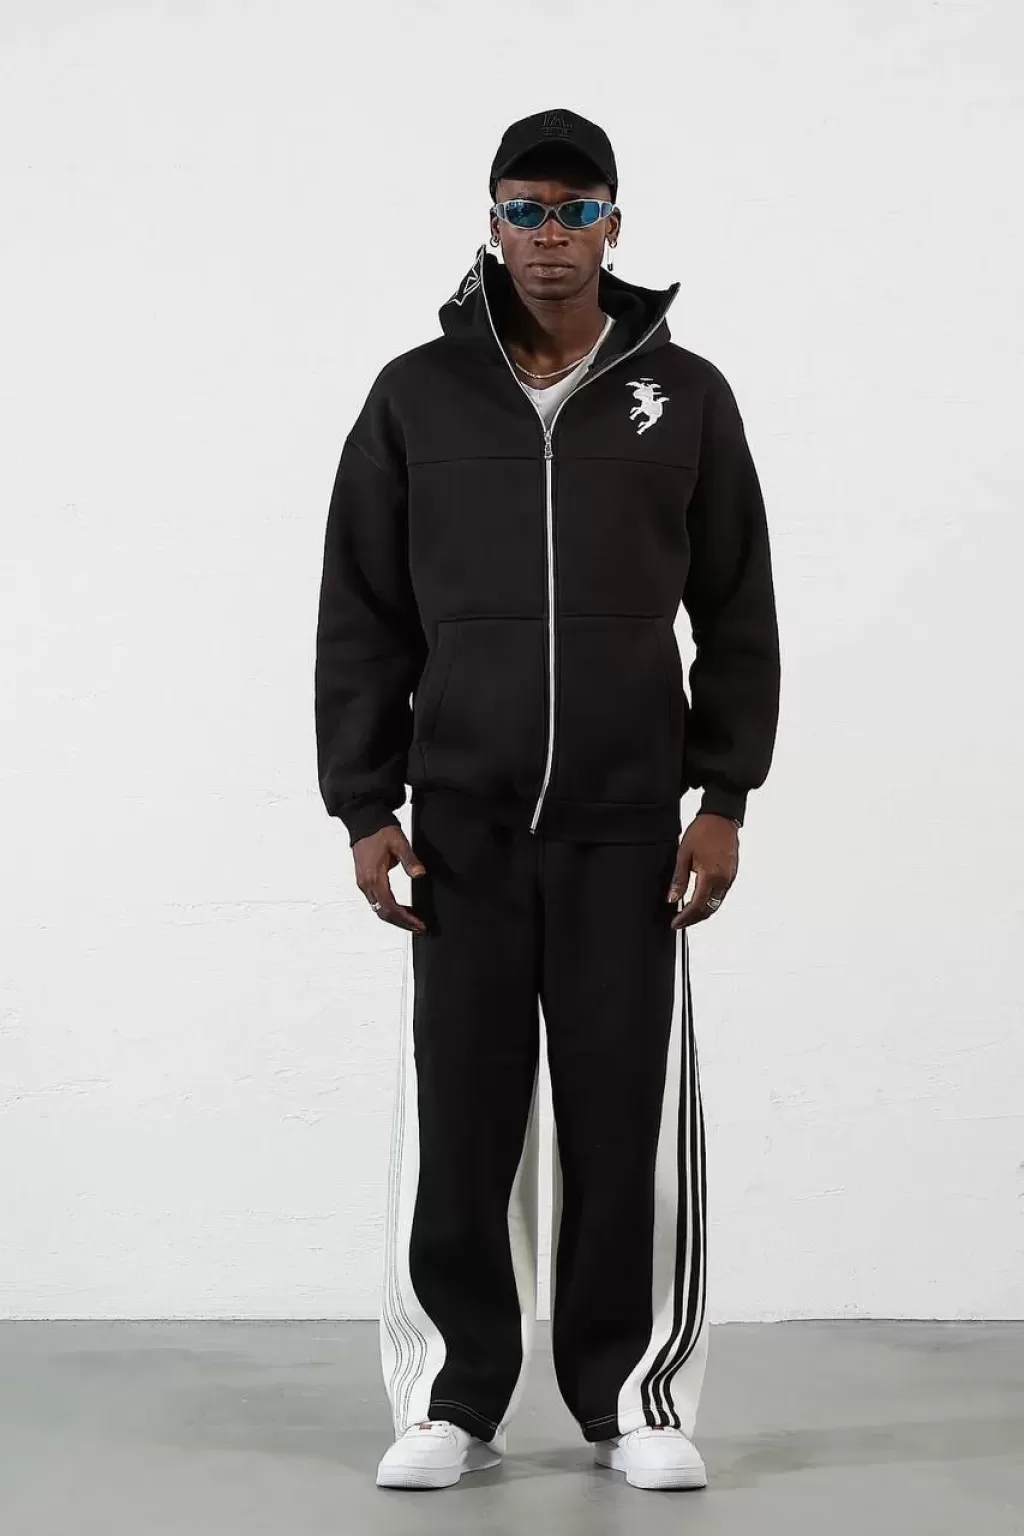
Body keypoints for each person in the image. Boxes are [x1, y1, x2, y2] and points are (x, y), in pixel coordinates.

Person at [314, 107, 780, 1493]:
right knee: (462, 1114)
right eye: (526, 209)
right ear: (493, 223)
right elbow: (362, 611)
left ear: (615, 226)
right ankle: (450, 1399)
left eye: (577, 212)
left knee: (622, 1117)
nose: (551, 236)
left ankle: (632, 1399)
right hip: (460, 824)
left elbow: (737, 606)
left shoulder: (684, 396)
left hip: (630, 826)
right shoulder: (415, 397)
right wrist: (364, 803)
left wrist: (726, 793)